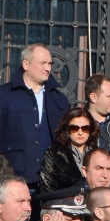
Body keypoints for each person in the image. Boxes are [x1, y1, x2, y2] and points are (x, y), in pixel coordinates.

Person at [0, 44, 69, 187]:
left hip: (51, 181)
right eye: (42, 63)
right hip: (13, 178)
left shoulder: (59, 99)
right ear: (26, 64)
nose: (48, 68)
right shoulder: (4, 96)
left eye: (50, 63)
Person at [38, 108, 97, 195]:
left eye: (85, 128)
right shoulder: (54, 153)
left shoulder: (98, 153)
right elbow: (47, 189)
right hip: (65, 204)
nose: (80, 132)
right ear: (66, 129)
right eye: (74, 128)